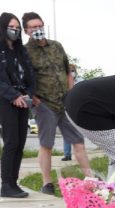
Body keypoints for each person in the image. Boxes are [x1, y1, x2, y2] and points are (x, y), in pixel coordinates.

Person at [22, 12, 92, 195]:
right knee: (47, 144)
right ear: (26, 31)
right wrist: (33, 99)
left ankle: (90, 178)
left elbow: (68, 71)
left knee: (78, 141)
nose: (38, 30)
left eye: (40, 26)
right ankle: (47, 183)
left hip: (66, 103)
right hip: (44, 104)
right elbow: (23, 79)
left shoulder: (57, 46)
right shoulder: (25, 51)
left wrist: (73, 94)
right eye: (33, 27)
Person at [0, 12, 35, 199]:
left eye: (17, 28)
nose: (14, 31)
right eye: (11, 27)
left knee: (21, 142)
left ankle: (14, 183)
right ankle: (6, 184)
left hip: (23, 100)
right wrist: (13, 96)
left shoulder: (21, 51)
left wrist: (28, 94)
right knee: (11, 142)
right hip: (6, 101)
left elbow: (31, 76)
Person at [61, 63, 82, 161]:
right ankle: (67, 155)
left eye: (73, 70)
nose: (71, 72)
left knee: (79, 134)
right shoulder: (63, 82)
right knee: (67, 133)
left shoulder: (80, 81)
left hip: (79, 110)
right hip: (66, 110)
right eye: (70, 70)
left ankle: (80, 154)